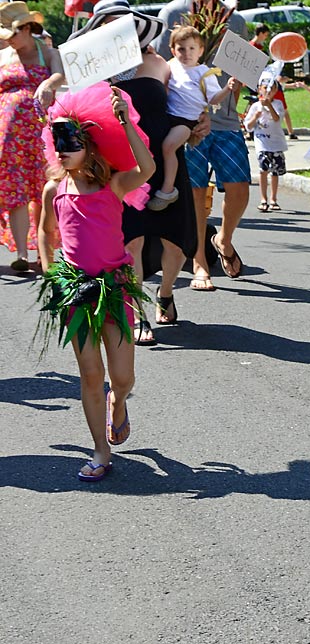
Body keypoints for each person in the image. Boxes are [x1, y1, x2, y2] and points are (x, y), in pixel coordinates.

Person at [36, 85, 155, 482]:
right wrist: (53, 273)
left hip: (114, 287)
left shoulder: (112, 185)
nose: (64, 150)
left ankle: (117, 402)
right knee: (89, 373)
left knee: (122, 377)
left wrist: (124, 121)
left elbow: (148, 170)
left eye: (71, 142)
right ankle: (100, 451)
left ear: (89, 144)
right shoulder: (56, 189)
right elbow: (45, 234)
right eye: (59, 143)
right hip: (76, 291)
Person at [70, 0, 198, 341]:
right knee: (133, 242)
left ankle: (165, 293)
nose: (115, 31)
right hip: (122, 164)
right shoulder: (92, 71)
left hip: (165, 158)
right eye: (108, 25)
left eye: (121, 24)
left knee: (177, 243)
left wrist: (198, 123)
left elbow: (184, 104)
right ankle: (138, 311)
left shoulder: (158, 62)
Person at [156, 0, 252, 287]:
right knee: (196, 194)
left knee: (240, 187)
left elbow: (242, 70)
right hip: (186, 122)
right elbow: (161, 70)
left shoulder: (235, 20)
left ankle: (223, 238)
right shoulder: (172, 14)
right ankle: (200, 263)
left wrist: (233, 94)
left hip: (225, 121)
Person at [0, 1, 64, 273]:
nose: (9, 40)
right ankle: (23, 254)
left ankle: (43, 252)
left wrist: (48, 83)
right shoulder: (4, 55)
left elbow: (60, 73)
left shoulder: (47, 52)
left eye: (12, 33)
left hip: (39, 134)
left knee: (42, 190)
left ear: (27, 28)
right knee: (15, 190)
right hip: (8, 137)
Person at [148, 26, 237, 211]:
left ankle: (168, 189)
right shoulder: (171, 65)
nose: (186, 53)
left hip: (187, 120)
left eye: (192, 48)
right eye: (181, 49)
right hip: (168, 115)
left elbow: (213, 99)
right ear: (173, 50)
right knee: (159, 147)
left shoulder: (204, 73)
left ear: (200, 51)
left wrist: (227, 89)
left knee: (169, 147)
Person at [243, 77, 287, 212]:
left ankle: (273, 199)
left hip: (276, 143)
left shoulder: (278, 103)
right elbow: (248, 126)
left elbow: (277, 119)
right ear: (259, 90)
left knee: (275, 172)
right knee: (263, 170)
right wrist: (255, 117)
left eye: (272, 89)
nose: (269, 91)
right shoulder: (255, 106)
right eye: (265, 88)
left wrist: (268, 106)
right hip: (262, 143)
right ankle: (263, 198)